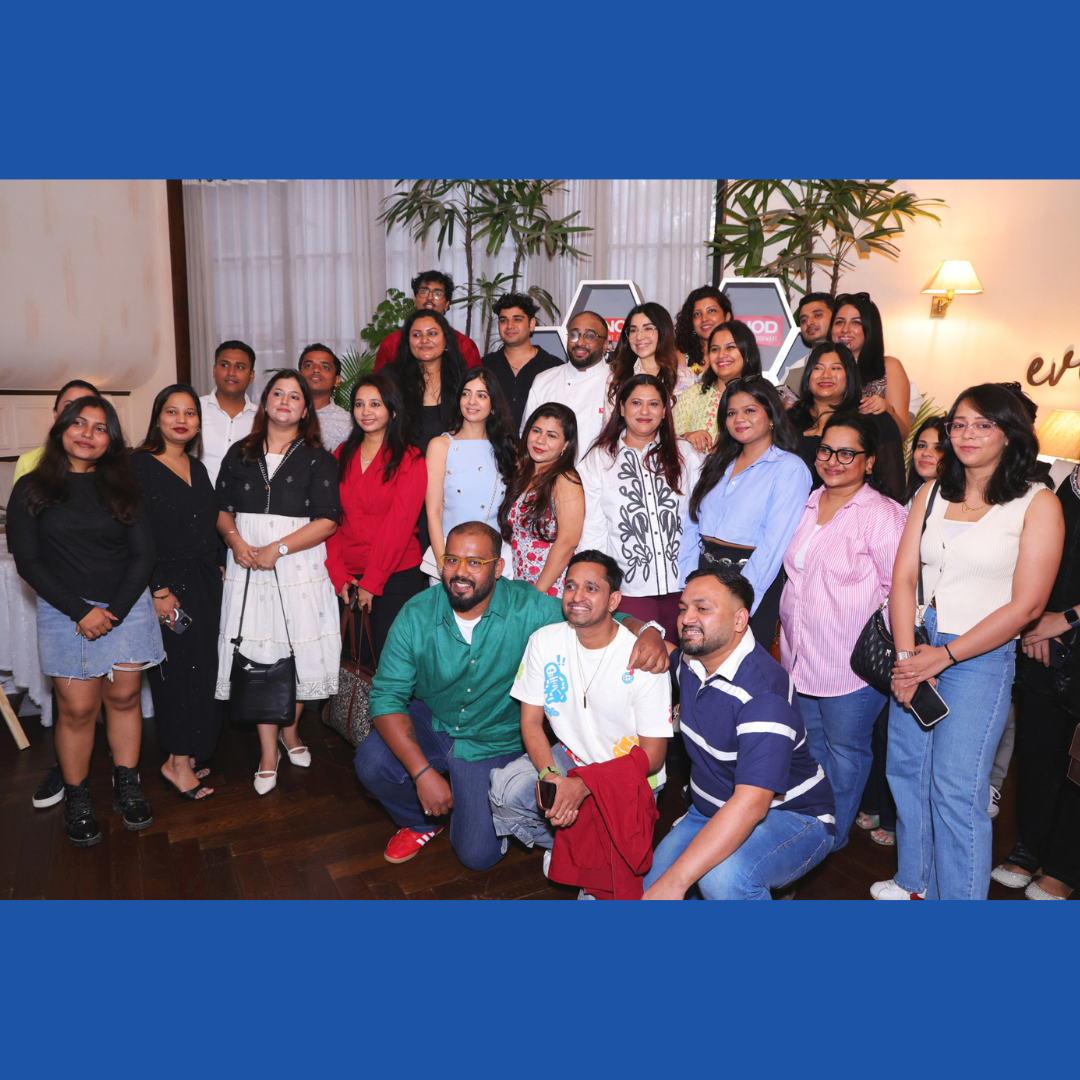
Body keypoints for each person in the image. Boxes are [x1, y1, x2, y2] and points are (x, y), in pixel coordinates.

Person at [354, 522, 670, 870]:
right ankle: (420, 822)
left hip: (493, 738)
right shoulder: (417, 613)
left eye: (475, 563)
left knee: (477, 856)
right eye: (452, 560)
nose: (460, 572)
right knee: (371, 761)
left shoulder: (526, 606)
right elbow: (386, 696)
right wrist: (422, 774)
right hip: (436, 719)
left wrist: (648, 630)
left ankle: (474, 801)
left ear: (498, 568)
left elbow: (594, 614)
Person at [874, 384, 1064, 900]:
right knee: (906, 773)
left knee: (956, 791)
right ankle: (913, 883)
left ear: (1010, 434)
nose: (967, 434)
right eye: (959, 424)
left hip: (977, 655)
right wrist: (907, 657)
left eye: (983, 424)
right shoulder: (932, 492)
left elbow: (1027, 606)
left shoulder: (1037, 502)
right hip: (917, 642)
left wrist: (944, 656)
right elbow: (903, 578)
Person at [7, 396, 162, 846]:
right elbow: (28, 562)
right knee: (76, 711)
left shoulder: (124, 485)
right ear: (61, 429)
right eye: (79, 423)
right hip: (64, 612)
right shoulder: (32, 487)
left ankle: (127, 784)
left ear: (110, 439)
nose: (88, 434)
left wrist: (113, 611)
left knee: (125, 700)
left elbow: (144, 553)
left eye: (99, 427)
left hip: (125, 607)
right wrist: (81, 611)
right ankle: (78, 797)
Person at [642, 567, 835, 900]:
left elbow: (752, 805)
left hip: (792, 814)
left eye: (702, 608)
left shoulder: (763, 694)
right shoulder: (693, 662)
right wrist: (647, 630)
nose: (687, 618)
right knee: (647, 890)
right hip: (710, 808)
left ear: (739, 620)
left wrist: (676, 881)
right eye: (683, 608)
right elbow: (655, 642)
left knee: (722, 879)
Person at [488, 551, 672, 862]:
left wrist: (585, 785)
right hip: (570, 759)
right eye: (570, 586)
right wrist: (550, 776)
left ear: (613, 601)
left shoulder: (643, 656)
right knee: (506, 790)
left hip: (628, 775)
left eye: (591, 588)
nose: (577, 596)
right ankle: (568, 848)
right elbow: (531, 722)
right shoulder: (544, 641)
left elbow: (652, 757)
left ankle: (582, 850)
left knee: (608, 876)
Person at [779, 413, 907, 847]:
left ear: (869, 461)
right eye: (826, 450)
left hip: (851, 665)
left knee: (846, 752)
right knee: (810, 745)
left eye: (847, 453)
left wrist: (893, 652)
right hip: (800, 655)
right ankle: (810, 827)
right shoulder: (808, 502)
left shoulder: (882, 516)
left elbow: (899, 589)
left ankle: (831, 837)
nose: (833, 461)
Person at [214, 369, 341, 795]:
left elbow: (327, 520)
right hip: (247, 564)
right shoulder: (240, 453)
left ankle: (291, 732)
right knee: (259, 654)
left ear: (305, 410)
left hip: (298, 566)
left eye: (295, 396)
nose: (285, 401)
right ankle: (269, 752)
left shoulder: (319, 458)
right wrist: (234, 541)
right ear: (265, 402)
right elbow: (220, 507)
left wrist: (279, 547)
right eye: (278, 394)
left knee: (299, 652)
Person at [991, 460, 1080, 900]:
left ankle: (1065, 866)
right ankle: (1029, 848)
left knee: (1078, 764)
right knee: (1038, 749)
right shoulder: (1062, 477)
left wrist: (1065, 619)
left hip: (1065, 625)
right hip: (1041, 636)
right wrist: (1034, 622)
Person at [131, 384, 222, 801]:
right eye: (172, 411)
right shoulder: (139, 464)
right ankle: (176, 763)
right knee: (177, 674)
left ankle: (190, 750)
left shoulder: (196, 467)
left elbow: (207, 525)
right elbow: (137, 532)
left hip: (204, 583)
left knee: (204, 669)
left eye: (190, 413)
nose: (181, 420)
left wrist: (219, 565)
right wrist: (159, 589)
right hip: (167, 586)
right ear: (157, 418)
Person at [682, 376, 811, 644]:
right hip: (703, 576)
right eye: (731, 413)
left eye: (750, 410)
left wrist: (741, 599)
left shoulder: (789, 468)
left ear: (771, 415)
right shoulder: (717, 462)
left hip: (749, 581)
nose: (739, 419)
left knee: (740, 666)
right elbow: (692, 524)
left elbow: (774, 544)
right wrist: (688, 584)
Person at [579, 374, 701, 641]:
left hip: (685, 587)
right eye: (636, 403)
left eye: (653, 404)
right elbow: (593, 529)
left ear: (665, 410)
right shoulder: (600, 458)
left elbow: (702, 516)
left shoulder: (685, 453)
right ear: (622, 408)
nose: (645, 411)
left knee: (684, 662)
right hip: (629, 590)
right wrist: (597, 585)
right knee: (638, 661)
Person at [326, 375, 428, 659]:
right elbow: (329, 519)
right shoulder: (341, 454)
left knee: (389, 663)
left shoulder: (410, 458)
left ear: (392, 411)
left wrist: (372, 581)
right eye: (359, 404)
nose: (366, 411)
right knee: (350, 665)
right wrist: (338, 574)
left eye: (375, 404)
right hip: (347, 577)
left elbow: (399, 526)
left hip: (395, 576)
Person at [787, 342, 906, 503]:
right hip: (790, 511)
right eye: (818, 368)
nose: (826, 375)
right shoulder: (787, 420)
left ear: (849, 375)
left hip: (855, 513)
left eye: (836, 368)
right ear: (808, 375)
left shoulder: (872, 418)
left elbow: (892, 487)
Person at [425, 368, 516, 568]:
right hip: (451, 554)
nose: (472, 401)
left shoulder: (507, 448)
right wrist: (443, 564)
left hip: (495, 557)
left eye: (481, 395)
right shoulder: (441, 446)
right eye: (466, 394)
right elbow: (433, 511)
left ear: (493, 405)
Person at [499, 403, 584, 596]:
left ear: (565, 444)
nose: (540, 440)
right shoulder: (524, 474)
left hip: (551, 588)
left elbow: (568, 542)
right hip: (523, 583)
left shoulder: (565, 479)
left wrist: (538, 592)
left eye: (551, 435)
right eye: (536, 431)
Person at [521, 311, 611, 461]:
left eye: (589, 336)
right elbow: (526, 435)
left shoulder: (617, 382)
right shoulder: (544, 380)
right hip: (547, 474)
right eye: (574, 335)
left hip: (600, 474)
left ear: (605, 345)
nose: (580, 342)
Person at [380, 308, 468, 454]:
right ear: (408, 341)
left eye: (432, 333)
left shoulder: (461, 378)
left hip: (451, 462)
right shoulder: (390, 376)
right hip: (401, 462)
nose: (424, 340)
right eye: (416, 335)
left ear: (446, 339)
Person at [831, 292, 912, 440]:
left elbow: (903, 434)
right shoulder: (822, 368)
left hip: (874, 452)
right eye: (839, 322)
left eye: (856, 322)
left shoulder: (889, 366)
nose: (845, 329)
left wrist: (888, 410)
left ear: (870, 328)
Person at [672, 320, 761, 453]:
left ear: (747, 354)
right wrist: (687, 438)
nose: (721, 355)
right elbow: (667, 441)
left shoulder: (762, 397)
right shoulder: (693, 395)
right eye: (715, 349)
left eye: (730, 347)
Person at [479, 293, 563, 430]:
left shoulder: (553, 367)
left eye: (517, 319)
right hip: (491, 442)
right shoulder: (486, 365)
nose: (509, 325)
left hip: (537, 443)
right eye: (503, 320)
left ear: (531, 324)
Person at [604, 303, 697, 424]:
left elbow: (695, 426)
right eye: (633, 330)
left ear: (663, 331)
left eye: (647, 329)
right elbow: (609, 428)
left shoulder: (686, 377)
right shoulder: (616, 378)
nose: (639, 337)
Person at [374, 270, 482, 372]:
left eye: (437, 293)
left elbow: (477, 383)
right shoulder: (391, 343)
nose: (429, 298)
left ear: (447, 304)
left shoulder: (465, 346)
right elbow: (379, 384)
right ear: (415, 300)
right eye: (424, 291)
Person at [14, 379, 101, 483]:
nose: (77, 414)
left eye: (87, 407)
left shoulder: (113, 464)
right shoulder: (28, 461)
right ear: (55, 414)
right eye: (69, 407)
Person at [199, 341, 259, 486]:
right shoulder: (194, 409)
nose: (231, 372)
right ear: (214, 370)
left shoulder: (261, 419)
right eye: (224, 365)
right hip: (197, 497)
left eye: (240, 367)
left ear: (251, 376)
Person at [299, 343, 353, 452]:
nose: (316, 370)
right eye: (309, 365)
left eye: (325, 367)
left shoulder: (347, 422)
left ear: (337, 380)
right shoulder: (282, 413)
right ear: (298, 376)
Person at [673, 285, 733, 374]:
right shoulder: (680, 357)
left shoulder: (738, 353)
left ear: (727, 316)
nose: (704, 319)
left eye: (711, 311)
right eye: (697, 314)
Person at [902, 416, 948, 506]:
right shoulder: (913, 495)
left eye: (938, 448)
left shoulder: (952, 501)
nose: (926, 453)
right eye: (922, 446)